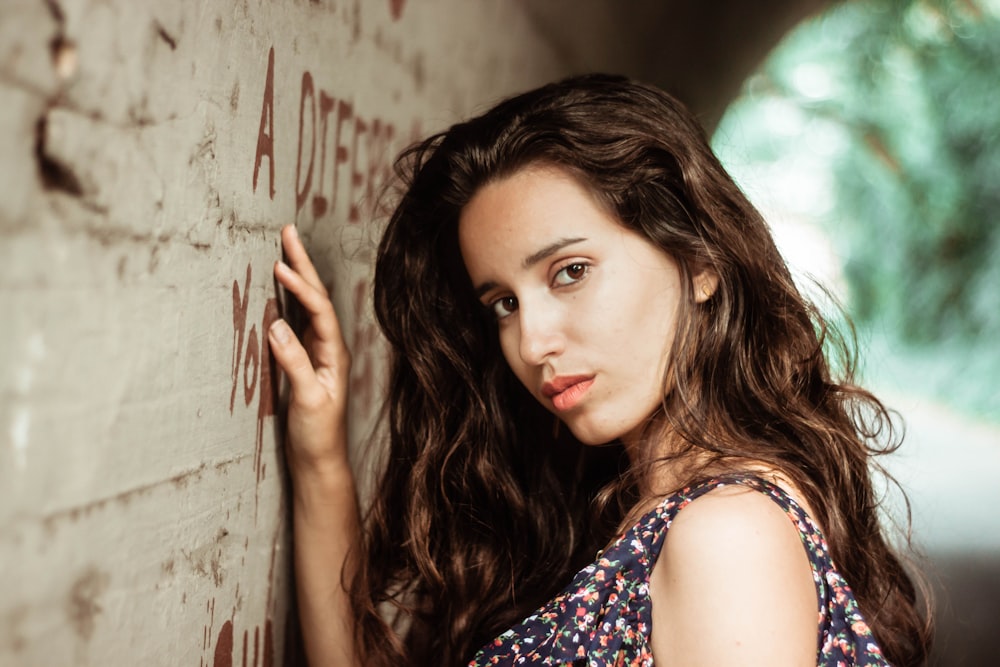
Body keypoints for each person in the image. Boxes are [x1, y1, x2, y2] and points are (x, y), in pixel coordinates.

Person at [267, 74, 932, 666]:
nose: (531, 341)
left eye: (570, 272)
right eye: (503, 303)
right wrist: (321, 456)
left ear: (698, 260)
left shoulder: (727, 538)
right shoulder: (623, 512)